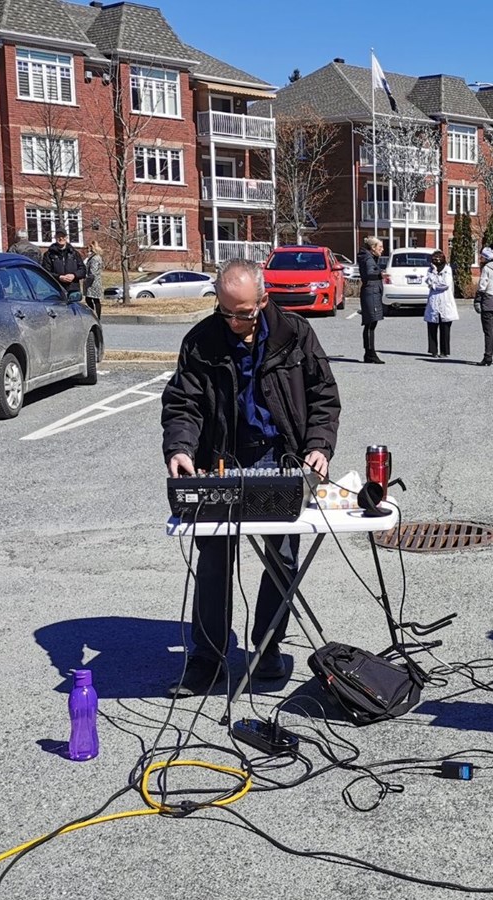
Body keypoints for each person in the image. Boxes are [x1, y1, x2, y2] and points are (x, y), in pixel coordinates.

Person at [160, 259, 341, 697]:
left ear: (264, 299)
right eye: (227, 311)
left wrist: (318, 445)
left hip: (279, 459)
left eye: (244, 312)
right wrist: (181, 449)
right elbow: (182, 403)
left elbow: (324, 396)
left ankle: (267, 647)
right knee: (215, 561)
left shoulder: (295, 334)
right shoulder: (202, 340)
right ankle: (208, 658)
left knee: (282, 559)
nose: (236, 322)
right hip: (219, 461)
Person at [423, 249, 457, 358]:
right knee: (432, 326)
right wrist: (433, 275)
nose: (437, 261)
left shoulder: (447, 269)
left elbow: (445, 284)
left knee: (445, 327)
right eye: (434, 259)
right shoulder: (430, 269)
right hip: (433, 300)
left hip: (445, 300)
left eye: (439, 258)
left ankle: (444, 351)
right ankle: (433, 350)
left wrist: (433, 285)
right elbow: (428, 280)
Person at [357, 235, 386, 364]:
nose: (382, 249)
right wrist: (380, 274)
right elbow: (369, 273)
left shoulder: (370, 257)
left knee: (372, 323)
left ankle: (370, 353)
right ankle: (370, 353)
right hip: (371, 292)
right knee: (370, 323)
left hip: (373, 292)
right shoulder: (368, 258)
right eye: (380, 247)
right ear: (373, 248)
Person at [82, 240, 104, 319]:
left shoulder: (94, 258)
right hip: (95, 281)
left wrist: (87, 280)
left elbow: (93, 272)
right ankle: (96, 315)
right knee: (94, 299)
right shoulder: (96, 257)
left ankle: (96, 316)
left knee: (92, 299)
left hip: (93, 282)